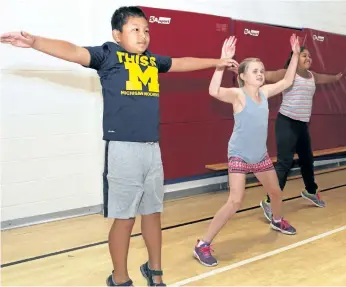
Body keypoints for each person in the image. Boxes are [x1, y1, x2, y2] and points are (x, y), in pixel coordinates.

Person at [0, 6, 237, 286]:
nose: (143, 35)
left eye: (146, 30)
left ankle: (155, 273)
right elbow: (73, 51)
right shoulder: (108, 54)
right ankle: (119, 277)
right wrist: (35, 42)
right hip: (123, 150)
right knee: (125, 219)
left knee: (152, 214)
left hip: (152, 150)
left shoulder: (151, 60)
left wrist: (217, 62)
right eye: (135, 29)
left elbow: (180, 62)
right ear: (117, 34)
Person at [193, 34, 299, 267]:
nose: (260, 74)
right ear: (242, 76)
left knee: (276, 192)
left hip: (259, 155)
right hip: (239, 154)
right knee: (235, 201)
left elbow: (287, 81)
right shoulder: (238, 95)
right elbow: (213, 90)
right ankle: (203, 244)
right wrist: (222, 62)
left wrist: (296, 55)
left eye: (262, 70)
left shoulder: (265, 93)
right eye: (255, 71)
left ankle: (277, 219)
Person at [257, 46, 343, 221]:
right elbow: (267, 75)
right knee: (284, 163)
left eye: (310, 55)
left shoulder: (312, 76)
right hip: (286, 122)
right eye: (304, 55)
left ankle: (310, 191)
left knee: (307, 159)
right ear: (295, 57)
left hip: (302, 125)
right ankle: (269, 201)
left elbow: (325, 78)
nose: (308, 57)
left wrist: (336, 77)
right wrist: (246, 74)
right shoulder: (287, 73)